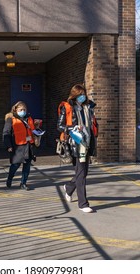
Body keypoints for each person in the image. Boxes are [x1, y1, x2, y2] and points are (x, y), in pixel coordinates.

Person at [57, 84, 97, 213]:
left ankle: (69, 188)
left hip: (87, 141)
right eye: (79, 95)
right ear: (74, 95)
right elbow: (60, 125)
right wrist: (72, 128)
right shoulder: (68, 107)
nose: (82, 97)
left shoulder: (87, 107)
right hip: (76, 142)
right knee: (81, 174)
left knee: (83, 172)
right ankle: (83, 204)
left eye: (83, 94)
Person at [3, 101, 37, 191]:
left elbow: (32, 131)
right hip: (17, 146)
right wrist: (8, 145)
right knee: (15, 165)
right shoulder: (11, 119)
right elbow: (6, 133)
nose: (23, 111)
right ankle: (10, 178)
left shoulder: (28, 118)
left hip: (28, 145)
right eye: (21, 109)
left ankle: (23, 183)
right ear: (16, 109)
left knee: (27, 166)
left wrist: (37, 130)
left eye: (24, 109)